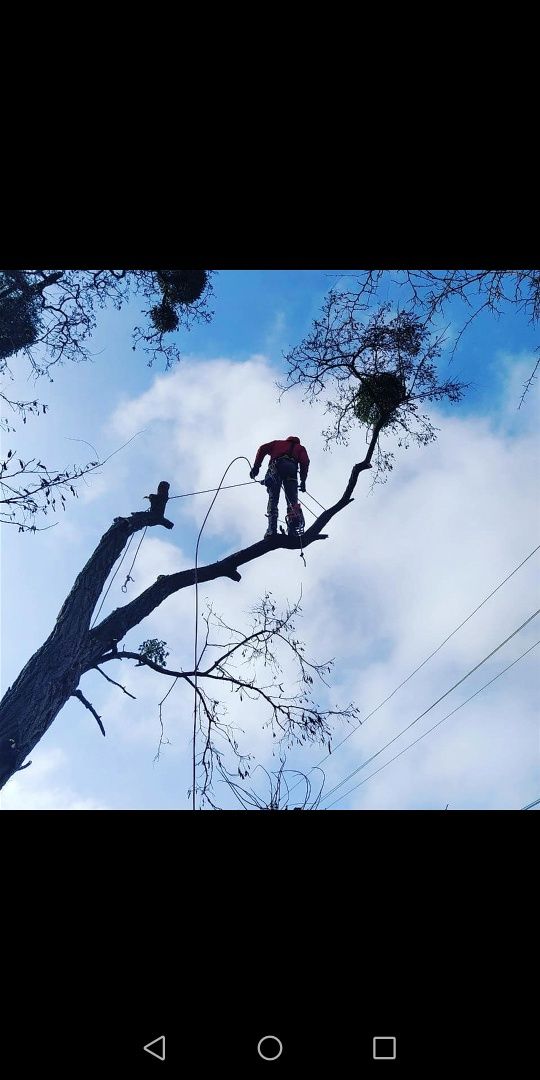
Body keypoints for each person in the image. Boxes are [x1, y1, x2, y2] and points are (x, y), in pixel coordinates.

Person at [250, 436, 310, 538]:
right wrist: (303, 480)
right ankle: (292, 530)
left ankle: (272, 529)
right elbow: (305, 462)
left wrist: (256, 467)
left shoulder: (277, 443)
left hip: (276, 467)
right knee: (292, 502)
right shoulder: (300, 448)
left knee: (273, 499)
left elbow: (262, 449)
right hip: (291, 469)